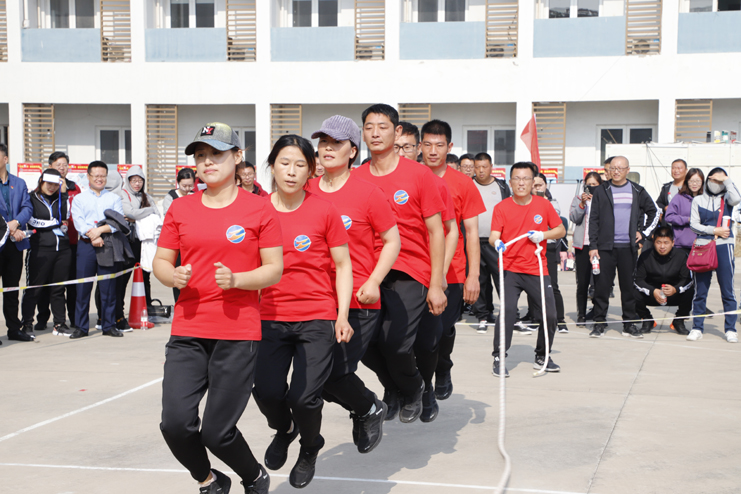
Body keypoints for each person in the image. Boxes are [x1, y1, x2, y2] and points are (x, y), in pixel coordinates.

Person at [154, 122, 282, 494]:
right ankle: (208, 480)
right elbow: (161, 261)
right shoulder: (181, 208)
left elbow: (274, 269)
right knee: (175, 424)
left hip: (237, 333)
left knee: (216, 432)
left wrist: (238, 279)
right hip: (188, 330)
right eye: (200, 155)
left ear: (238, 157)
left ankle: (254, 476)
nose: (207, 162)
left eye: (216, 153)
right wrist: (173, 275)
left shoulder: (260, 209)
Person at [255, 134, 353, 489]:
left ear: (311, 170)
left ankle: (311, 446)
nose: (291, 171)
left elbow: (342, 265)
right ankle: (285, 429)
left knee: (305, 397)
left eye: (300, 165)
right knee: (266, 392)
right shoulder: (257, 210)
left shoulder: (324, 210)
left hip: (316, 315)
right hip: (269, 316)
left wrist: (342, 315)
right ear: (272, 167)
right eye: (284, 163)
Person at [307, 115, 400, 452]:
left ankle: (367, 408)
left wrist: (375, 281)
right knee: (313, 379)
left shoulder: (368, 193)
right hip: (316, 300)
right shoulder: (306, 190)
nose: (328, 148)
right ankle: (365, 407)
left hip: (360, 299)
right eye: (323, 142)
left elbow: (392, 241)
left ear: (353, 151)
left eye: (337, 143)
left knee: (334, 373)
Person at [354, 104, 447, 424]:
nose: (375, 133)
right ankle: (392, 386)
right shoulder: (356, 177)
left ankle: (415, 387)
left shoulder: (418, 175)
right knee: (362, 344)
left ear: (396, 132)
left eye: (382, 126)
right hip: (367, 271)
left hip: (410, 269)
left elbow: (437, 231)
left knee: (396, 344)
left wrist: (436, 283)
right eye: (369, 127)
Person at [418, 120, 486, 416]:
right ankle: (424, 389)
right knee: (421, 338)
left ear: (449, 147)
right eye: (428, 144)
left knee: (442, 331)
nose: (433, 151)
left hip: (453, 272)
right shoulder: (411, 177)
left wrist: (473, 275)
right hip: (416, 270)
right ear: (420, 146)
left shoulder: (462, 183)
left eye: (439, 145)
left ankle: (443, 367)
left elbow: (471, 232)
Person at [490, 162, 565, 377]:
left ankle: (542, 355)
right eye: (517, 178)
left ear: (533, 182)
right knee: (507, 311)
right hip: (510, 269)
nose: (521, 183)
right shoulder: (502, 207)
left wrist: (543, 235)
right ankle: (499, 356)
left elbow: (560, 230)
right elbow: (494, 235)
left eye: (525, 179)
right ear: (510, 182)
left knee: (550, 314)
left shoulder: (543, 205)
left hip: (537, 268)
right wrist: (497, 243)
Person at [588, 156, 658, 338]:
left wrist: (643, 233)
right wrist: (593, 246)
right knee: (602, 287)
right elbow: (593, 219)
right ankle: (599, 323)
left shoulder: (637, 190)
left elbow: (654, 212)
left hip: (628, 248)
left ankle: (629, 324)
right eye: (613, 168)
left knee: (628, 288)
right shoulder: (602, 190)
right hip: (604, 248)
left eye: (620, 168)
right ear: (608, 170)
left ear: (628, 170)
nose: (616, 171)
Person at [69, 161, 126, 339]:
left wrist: (99, 231)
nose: (99, 179)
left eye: (103, 176)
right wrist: (93, 236)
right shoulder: (79, 199)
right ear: (88, 176)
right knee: (83, 287)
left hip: (107, 245)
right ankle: (81, 326)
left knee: (108, 287)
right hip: (86, 245)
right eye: (96, 176)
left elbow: (117, 223)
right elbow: (78, 222)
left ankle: (109, 325)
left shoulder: (113, 198)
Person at [687, 167, 741, 343]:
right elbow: (693, 224)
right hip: (703, 247)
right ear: (708, 180)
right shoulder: (698, 200)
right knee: (700, 291)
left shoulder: (727, 198)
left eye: (720, 181)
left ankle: (731, 329)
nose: (717, 184)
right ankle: (697, 327)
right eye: (714, 180)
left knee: (728, 290)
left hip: (724, 247)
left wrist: (726, 179)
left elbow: (737, 198)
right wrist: (714, 230)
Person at [20, 169, 72, 338]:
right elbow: (31, 220)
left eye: (55, 184)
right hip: (40, 249)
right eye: (48, 183)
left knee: (58, 288)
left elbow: (65, 217)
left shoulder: (60, 198)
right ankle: (27, 324)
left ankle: (59, 323)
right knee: (34, 289)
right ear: (41, 181)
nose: (51, 187)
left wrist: (63, 194)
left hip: (62, 249)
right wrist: (53, 223)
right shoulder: (30, 198)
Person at [471, 152, 511, 332]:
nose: (481, 170)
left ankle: (510, 313)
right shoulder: (468, 185)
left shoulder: (501, 186)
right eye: (477, 167)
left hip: (496, 242)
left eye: (484, 167)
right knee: (479, 279)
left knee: (502, 278)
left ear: (491, 167)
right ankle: (483, 315)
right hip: (474, 241)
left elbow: (509, 211)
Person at [0, 144, 34, 342]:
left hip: (15, 244)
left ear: (5, 159)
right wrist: (9, 227)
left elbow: (27, 207)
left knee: (12, 289)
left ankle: (14, 329)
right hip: (2, 240)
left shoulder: (19, 183)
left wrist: (16, 222)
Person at [44, 151, 81, 331]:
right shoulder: (45, 188)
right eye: (58, 165)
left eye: (65, 165)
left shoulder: (75, 188)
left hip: (71, 243)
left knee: (72, 284)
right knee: (48, 284)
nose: (62, 168)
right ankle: (42, 318)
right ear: (50, 166)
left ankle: (73, 318)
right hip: (49, 244)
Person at [633, 226, 694, 335]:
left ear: (673, 243)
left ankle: (679, 321)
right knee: (632, 291)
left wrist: (675, 289)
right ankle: (647, 320)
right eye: (659, 242)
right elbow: (638, 280)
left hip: (673, 294)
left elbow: (688, 280)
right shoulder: (645, 256)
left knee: (690, 291)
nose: (662, 246)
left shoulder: (681, 256)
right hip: (652, 294)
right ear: (653, 242)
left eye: (666, 243)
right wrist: (653, 291)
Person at [119, 166, 160, 313]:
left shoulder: (146, 196)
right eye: (134, 181)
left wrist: (137, 216)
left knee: (145, 275)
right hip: (129, 242)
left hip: (145, 242)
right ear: (128, 181)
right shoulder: (123, 194)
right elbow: (129, 212)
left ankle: (146, 307)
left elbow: (157, 216)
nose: (137, 184)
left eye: (140, 181)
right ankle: (120, 310)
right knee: (124, 277)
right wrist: (147, 212)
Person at [531, 172, 567, 333]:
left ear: (546, 186)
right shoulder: (526, 202)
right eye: (534, 185)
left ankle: (560, 319)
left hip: (549, 247)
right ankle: (535, 317)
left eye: (540, 185)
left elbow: (554, 223)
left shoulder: (552, 203)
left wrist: (543, 202)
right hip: (531, 247)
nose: (537, 188)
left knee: (552, 285)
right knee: (532, 285)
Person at [569, 171, 603, 326]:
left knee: (599, 281)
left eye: (595, 184)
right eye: (589, 184)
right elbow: (574, 218)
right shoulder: (578, 199)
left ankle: (598, 312)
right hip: (582, 245)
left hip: (599, 246)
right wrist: (582, 204)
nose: (591, 187)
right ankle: (581, 314)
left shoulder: (603, 200)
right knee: (582, 282)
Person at [164, 167, 196, 304]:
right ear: (178, 183)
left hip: (193, 241)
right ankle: (179, 302)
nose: (187, 189)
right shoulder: (171, 197)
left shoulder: (195, 196)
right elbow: (169, 219)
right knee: (178, 274)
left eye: (190, 185)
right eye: (184, 186)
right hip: (178, 241)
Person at [665, 168, 703, 254]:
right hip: (681, 245)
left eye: (698, 181)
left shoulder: (706, 199)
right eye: (691, 181)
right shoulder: (679, 197)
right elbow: (668, 217)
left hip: (702, 244)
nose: (694, 184)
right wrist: (688, 219)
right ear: (686, 181)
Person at [656, 159, 688, 224]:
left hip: (685, 225)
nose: (676, 171)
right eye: (673, 168)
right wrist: (665, 208)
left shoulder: (690, 187)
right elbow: (658, 203)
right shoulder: (666, 187)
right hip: (668, 226)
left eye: (679, 168)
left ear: (686, 170)